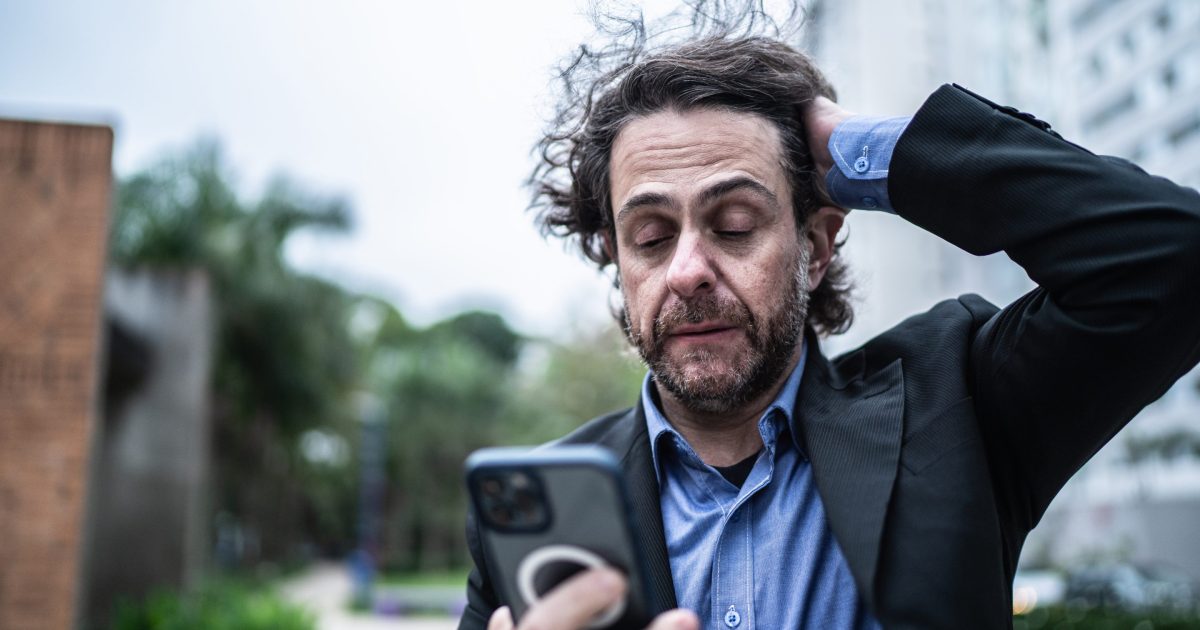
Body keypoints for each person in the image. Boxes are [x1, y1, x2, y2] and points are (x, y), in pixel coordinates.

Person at [458, 19, 1200, 630]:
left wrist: (869, 151)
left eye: (735, 223)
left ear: (814, 245)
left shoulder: (959, 404)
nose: (686, 271)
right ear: (618, 261)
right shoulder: (538, 509)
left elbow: (1174, 257)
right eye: (650, 238)